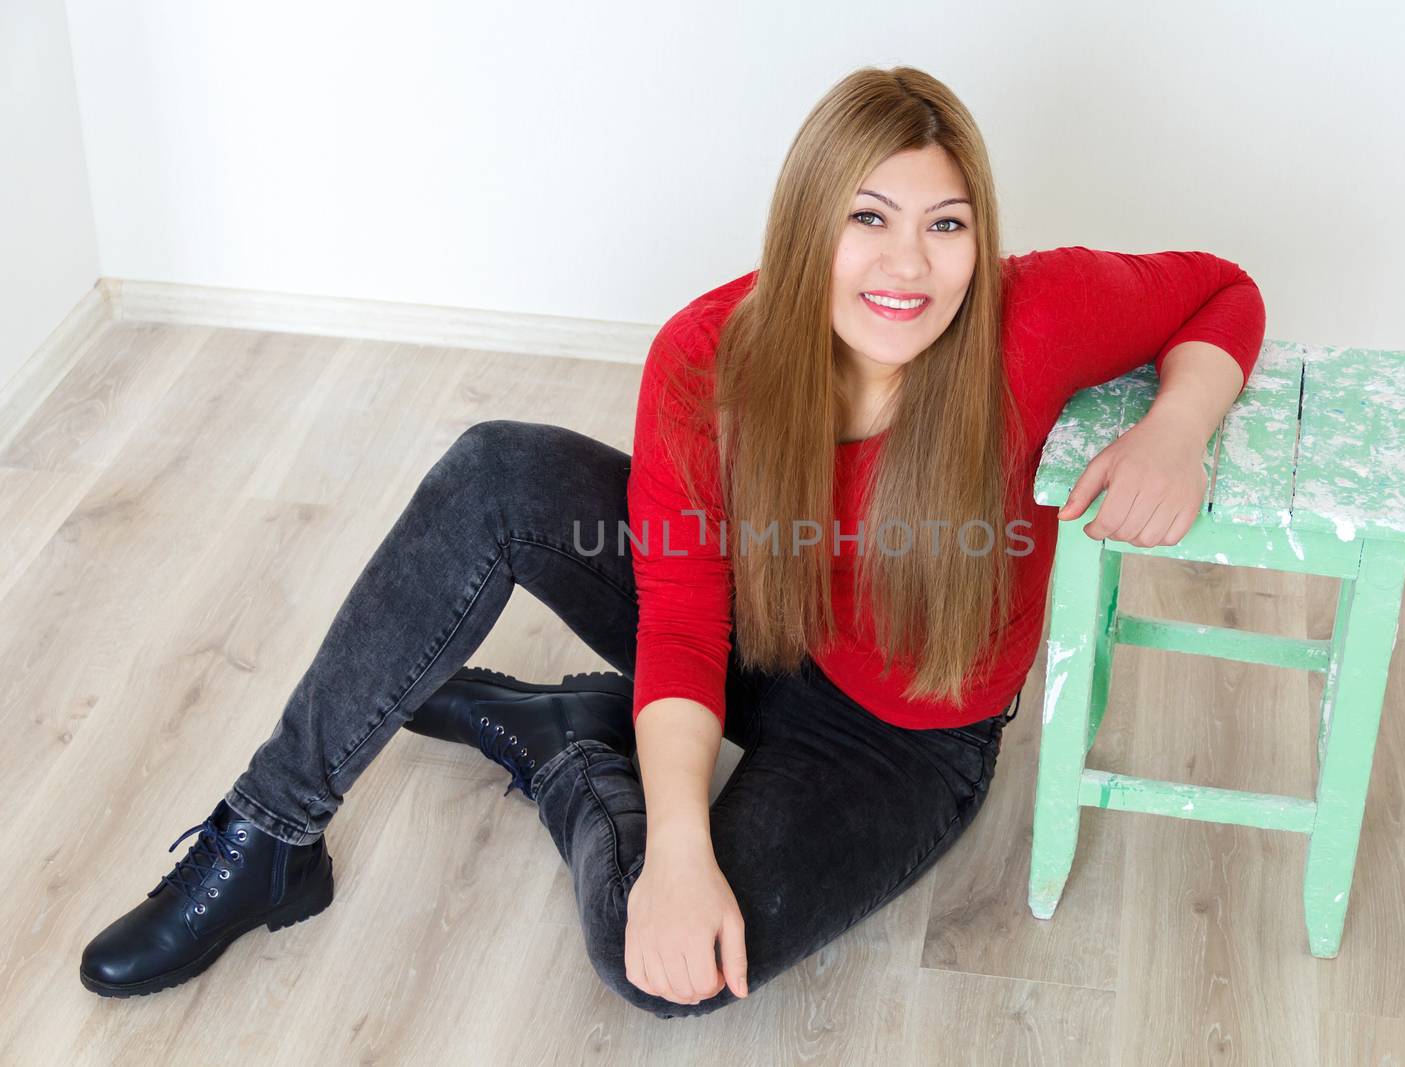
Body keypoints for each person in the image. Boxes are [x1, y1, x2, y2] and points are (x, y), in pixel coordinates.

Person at [78, 65, 1265, 1017]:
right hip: (759, 625)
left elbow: (1220, 290)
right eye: (870, 218)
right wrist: (679, 843)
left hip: (901, 743)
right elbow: (690, 624)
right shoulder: (711, 353)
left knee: (656, 960)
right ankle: (266, 836)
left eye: (945, 224)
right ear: (810, 224)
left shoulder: (1028, 317)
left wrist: (1179, 425)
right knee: (498, 468)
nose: (910, 264)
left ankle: (561, 742)